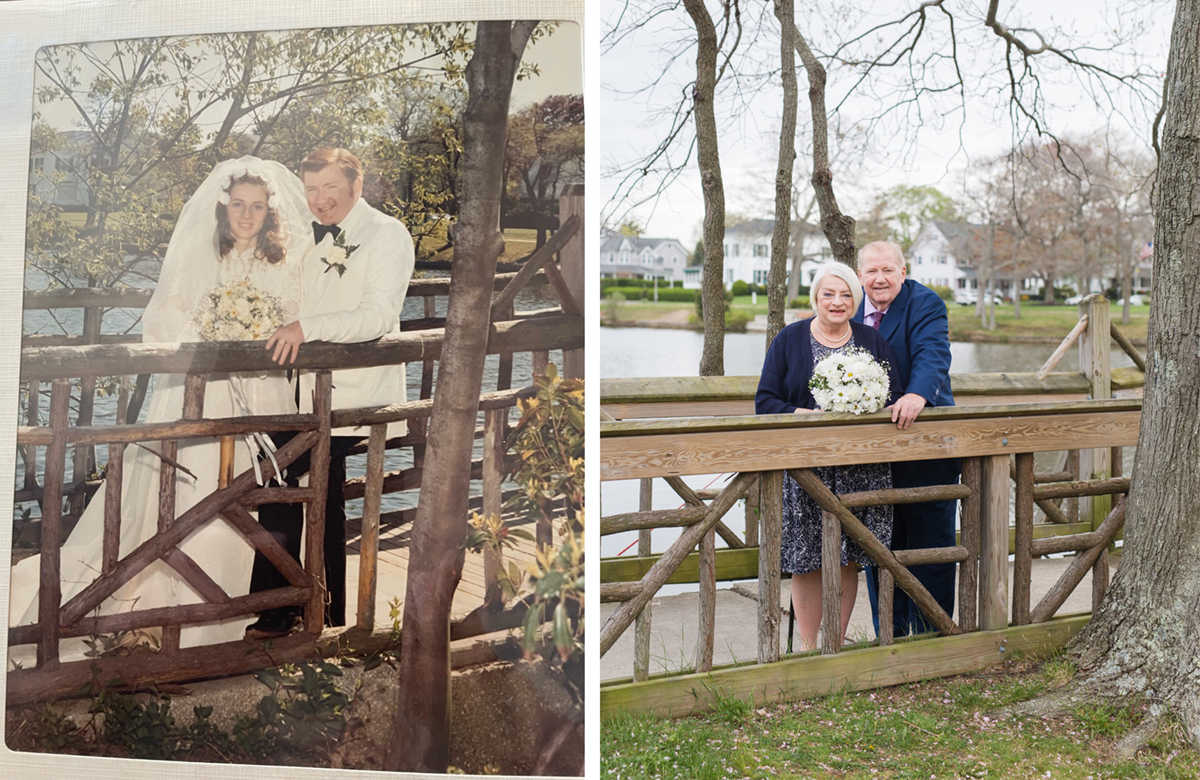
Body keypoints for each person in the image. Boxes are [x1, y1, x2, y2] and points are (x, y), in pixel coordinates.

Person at [7, 157, 311, 664]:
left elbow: (298, 320)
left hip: (263, 394)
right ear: (223, 207)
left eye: (257, 207)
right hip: (204, 395)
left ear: (269, 212)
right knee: (196, 490)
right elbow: (163, 323)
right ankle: (170, 603)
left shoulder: (283, 262)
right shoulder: (200, 256)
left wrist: (265, 330)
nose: (246, 215)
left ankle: (255, 601)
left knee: (254, 495)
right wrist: (211, 330)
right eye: (238, 205)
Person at [249, 148, 414, 637]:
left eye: (330, 190)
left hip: (353, 395)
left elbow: (378, 315)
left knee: (281, 480)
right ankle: (327, 610)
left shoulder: (387, 235)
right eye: (312, 190)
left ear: (356, 187)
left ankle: (278, 612)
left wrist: (306, 327)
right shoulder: (307, 240)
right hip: (301, 394)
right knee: (321, 496)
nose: (320, 202)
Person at [755, 261, 902, 651]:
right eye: (828, 294)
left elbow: (894, 398)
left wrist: (868, 406)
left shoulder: (872, 342)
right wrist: (804, 415)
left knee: (848, 556)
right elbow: (765, 401)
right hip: (806, 468)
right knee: (806, 557)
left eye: (846, 295)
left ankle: (833, 643)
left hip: (860, 469)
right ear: (815, 298)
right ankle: (807, 647)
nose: (837, 302)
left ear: (856, 300)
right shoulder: (790, 339)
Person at [854, 240, 960, 638]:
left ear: (903, 271)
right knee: (879, 544)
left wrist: (918, 393)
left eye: (888, 270)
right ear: (860, 274)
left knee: (931, 543)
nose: (879, 279)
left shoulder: (925, 303)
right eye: (871, 271)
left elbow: (933, 353)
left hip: (925, 443)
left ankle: (933, 632)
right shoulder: (850, 307)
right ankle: (891, 634)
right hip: (871, 452)